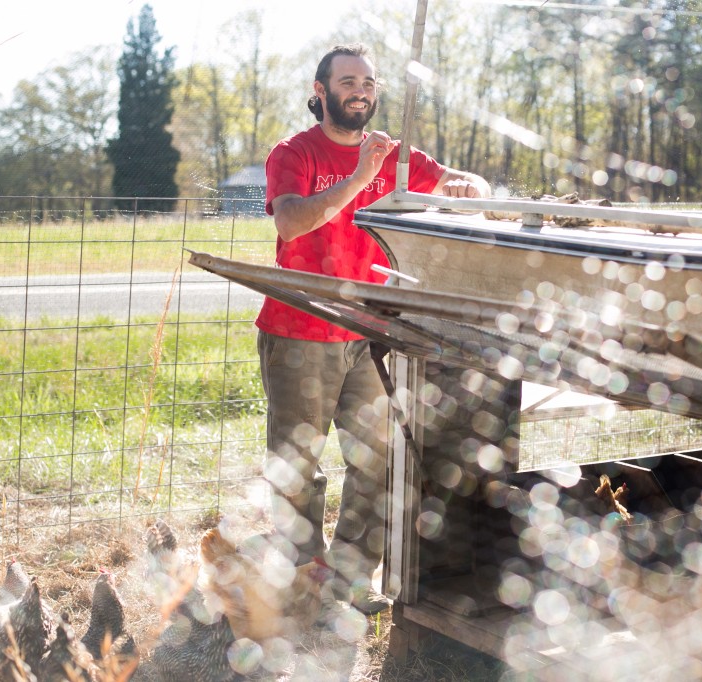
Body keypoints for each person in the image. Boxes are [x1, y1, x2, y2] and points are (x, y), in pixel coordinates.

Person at [257, 43, 490, 616]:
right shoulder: (294, 153)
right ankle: (301, 584)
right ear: (321, 91)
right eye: (347, 81)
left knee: (378, 464)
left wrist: (471, 188)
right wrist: (362, 175)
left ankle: (349, 585)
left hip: (368, 334)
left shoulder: (395, 155)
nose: (360, 90)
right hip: (300, 331)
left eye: (368, 81)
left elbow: (466, 183)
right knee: (297, 468)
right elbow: (291, 223)